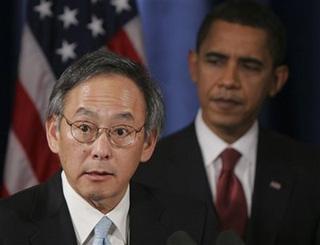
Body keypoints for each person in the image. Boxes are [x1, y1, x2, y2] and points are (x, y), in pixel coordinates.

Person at [134, 1, 320, 245]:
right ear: (194, 66)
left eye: (249, 66)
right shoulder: (143, 170)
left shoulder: (311, 173)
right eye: (216, 61)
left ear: (277, 80)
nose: (229, 81)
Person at [0, 50, 215, 245]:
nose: (101, 150)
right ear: (54, 133)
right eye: (84, 128)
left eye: (121, 131)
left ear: (148, 143)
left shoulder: (190, 226)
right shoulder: (6, 228)